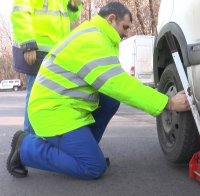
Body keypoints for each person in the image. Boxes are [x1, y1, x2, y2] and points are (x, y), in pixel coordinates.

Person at [7, 2, 190, 180]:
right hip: (53, 113)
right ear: (111, 19)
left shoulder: (95, 35)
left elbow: (115, 85)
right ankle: (25, 147)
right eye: (125, 27)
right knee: (93, 167)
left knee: (110, 100)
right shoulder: (93, 40)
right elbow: (120, 84)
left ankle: (82, 149)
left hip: (63, 106)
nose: (126, 34)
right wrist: (168, 102)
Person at [11, 0, 83, 134]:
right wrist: (28, 44)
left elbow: (69, 19)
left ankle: (42, 141)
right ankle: (28, 142)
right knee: (36, 98)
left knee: (51, 100)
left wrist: (73, 6)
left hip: (57, 52)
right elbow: (20, 11)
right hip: (37, 50)